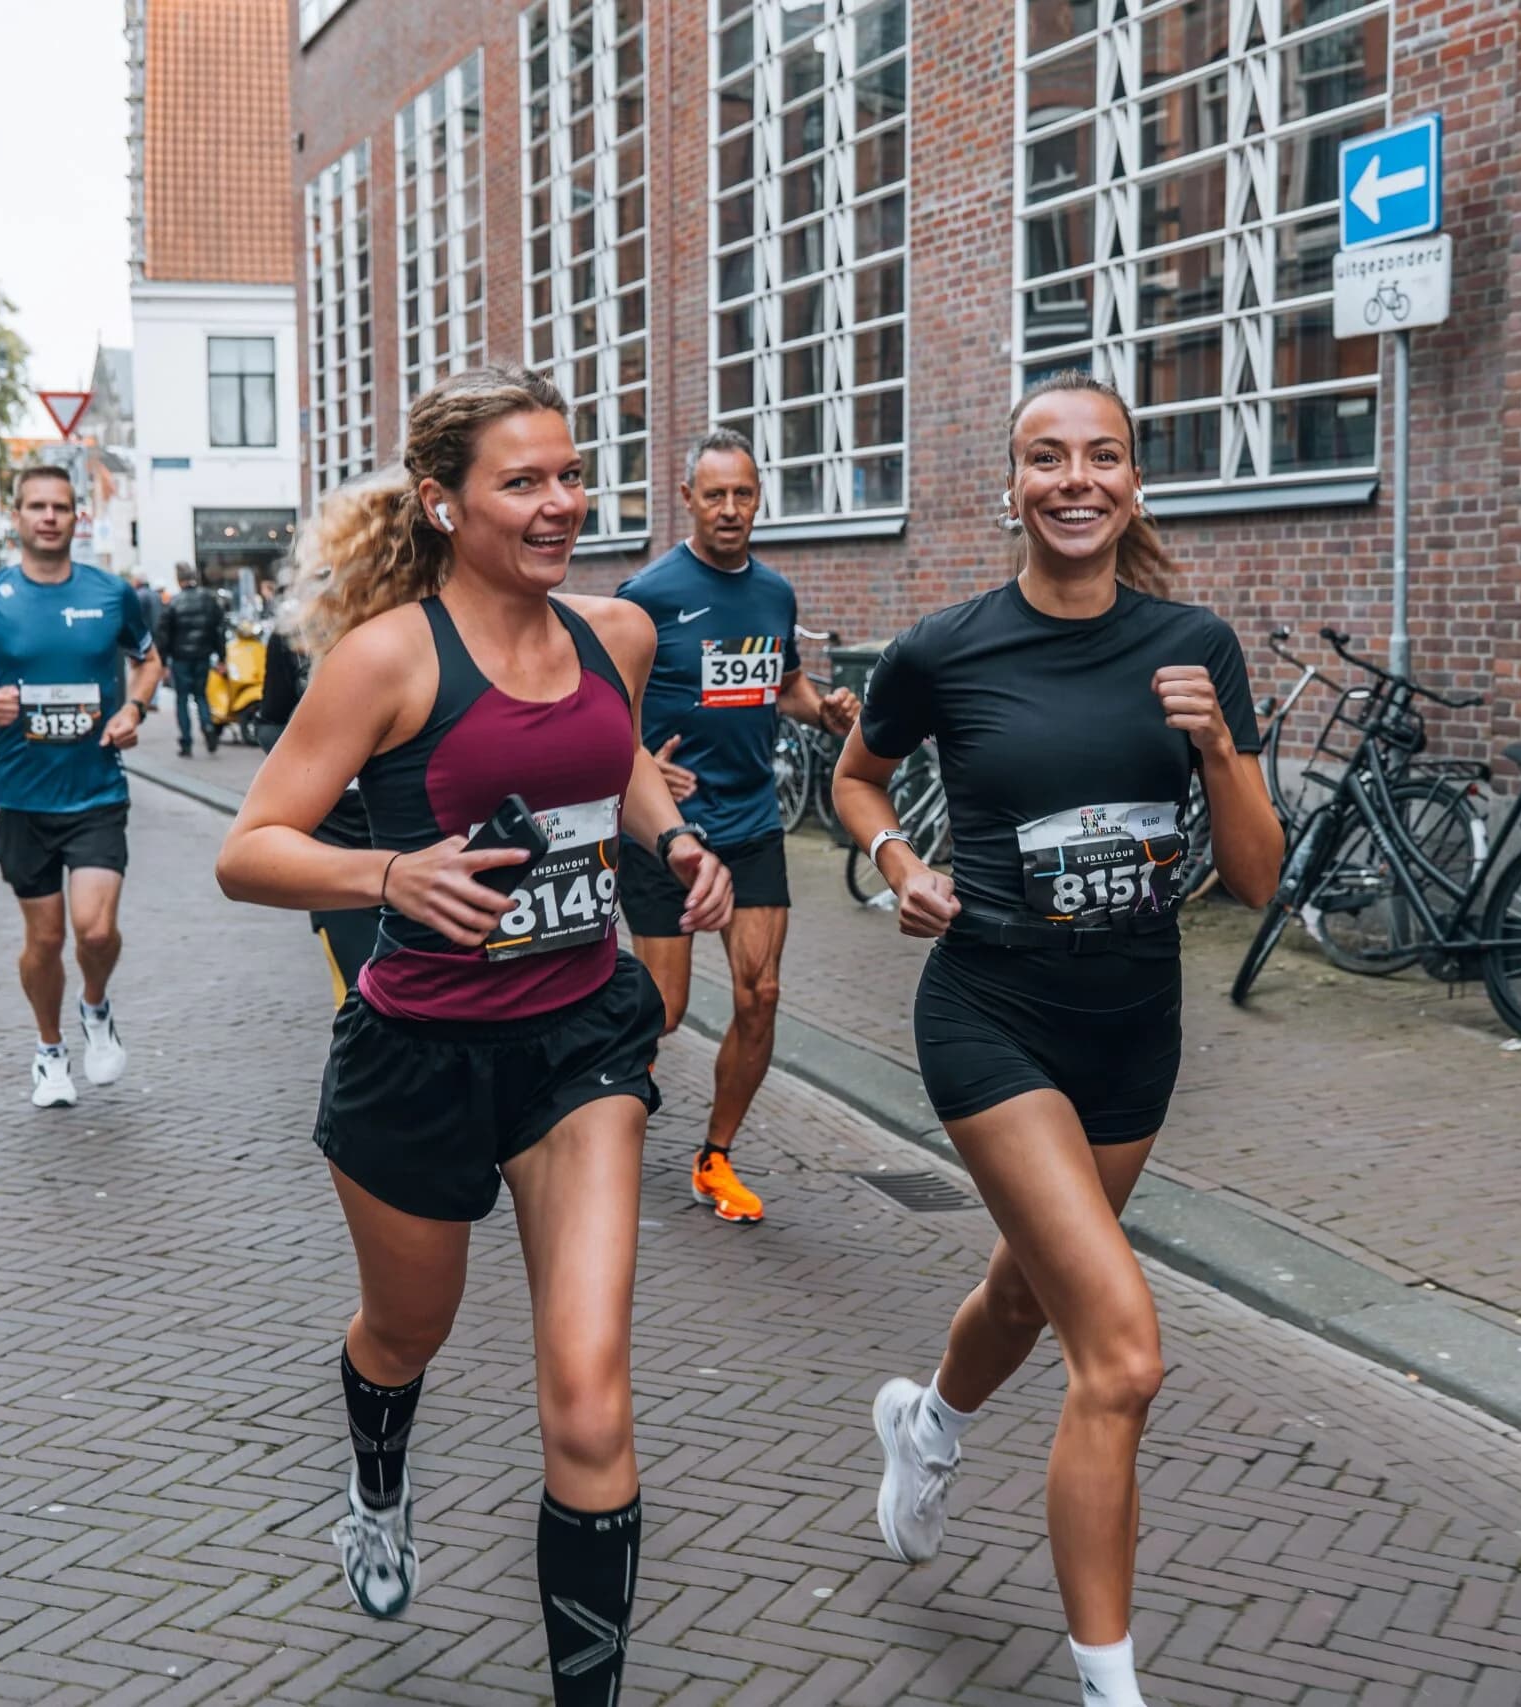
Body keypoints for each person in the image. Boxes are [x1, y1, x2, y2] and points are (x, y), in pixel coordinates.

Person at [215, 365, 731, 1704]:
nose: (560, 503)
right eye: (523, 482)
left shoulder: (615, 632)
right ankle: (378, 1485)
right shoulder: (387, 657)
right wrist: (389, 873)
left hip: (579, 1043)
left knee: (591, 1397)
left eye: (570, 475)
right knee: (408, 1331)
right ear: (444, 502)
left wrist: (675, 836)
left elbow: (613, 759)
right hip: (418, 1057)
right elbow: (249, 849)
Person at [830, 371, 1282, 1707]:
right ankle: (1108, 1686)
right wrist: (898, 864)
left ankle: (928, 1422)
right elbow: (856, 777)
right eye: (1046, 457)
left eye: (1101, 456)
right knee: (1123, 1354)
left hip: (1133, 1027)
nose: (1074, 479)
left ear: (1134, 482)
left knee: (1031, 1291)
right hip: (992, 1012)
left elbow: (1256, 879)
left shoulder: (1196, 647)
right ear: (1012, 484)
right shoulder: (946, 646)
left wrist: (1221, 752)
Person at [613, 428, 860, 1223]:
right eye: (714, 494)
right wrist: (639, 762)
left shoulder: (775, 593)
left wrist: (823, 710)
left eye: (742, 494)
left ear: (759, 499)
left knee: (762, 994)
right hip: (667, 831)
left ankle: (714, 1157)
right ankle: (589, 1099)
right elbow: (600, 708)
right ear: (687, 499)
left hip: (751, 821)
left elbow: (781, 684)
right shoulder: (645, 595)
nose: (729, 508)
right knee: (664, 1008)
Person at [0, 468, 162, 1109]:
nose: (49, 517)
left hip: (97, 791)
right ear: (17, 517)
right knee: (47, 940)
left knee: (96, 932)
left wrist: (133, 709)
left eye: (60, 507)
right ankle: (50, 1049)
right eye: (37, 506)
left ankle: (96, 1006)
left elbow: (150, 661)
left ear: (77, 517)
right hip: (22, 798)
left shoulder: (111, 593)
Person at [252, 585, 378, 1008]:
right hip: (339, 845)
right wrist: (316, 770)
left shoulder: (441, 621)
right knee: (362, 1004)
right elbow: (270, 721)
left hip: (427, 842)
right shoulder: (297, 632)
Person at [157, 562, 226, 757]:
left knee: (182, 699)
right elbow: (219, 630)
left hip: (180, 658)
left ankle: (186, 742)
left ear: (179, 580)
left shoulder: (173, 602)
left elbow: (163, 635)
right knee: (201, 695)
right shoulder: (208, 599)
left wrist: (163, 662)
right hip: (203, 655)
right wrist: (222, 657)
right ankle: (208, 726)